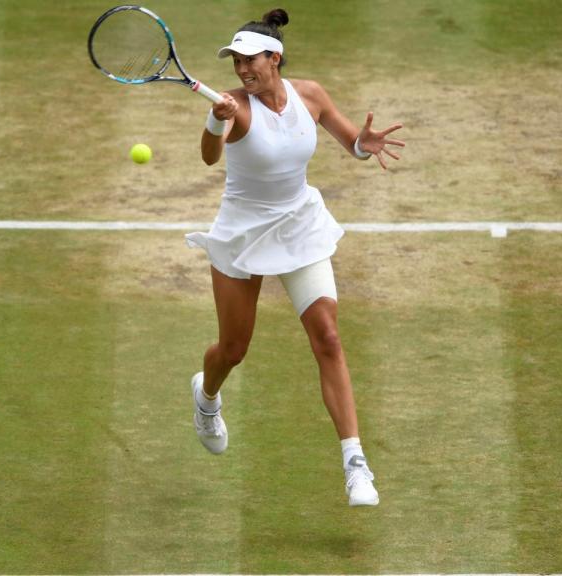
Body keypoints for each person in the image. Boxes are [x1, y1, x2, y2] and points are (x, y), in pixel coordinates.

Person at [184, 8, 404, 507]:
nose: (242, 70)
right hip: (243, 233)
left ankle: (355, 463)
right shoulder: (234, 107)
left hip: (300, 224)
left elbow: (350, 141)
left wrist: (363, 144)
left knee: (328, 336)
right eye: (236, 62)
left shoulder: (311, 95)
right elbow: (209, 157)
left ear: (274, 59)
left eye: (250, 60)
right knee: (232, 350)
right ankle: (207, 397)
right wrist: (215, 120)